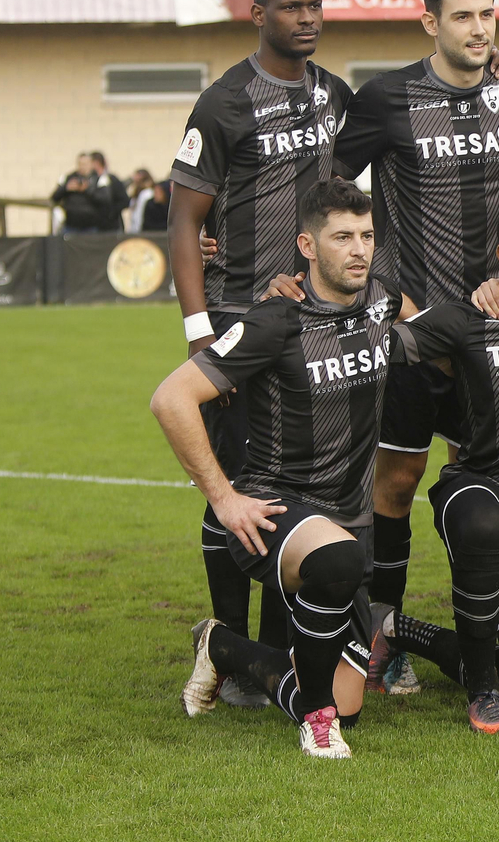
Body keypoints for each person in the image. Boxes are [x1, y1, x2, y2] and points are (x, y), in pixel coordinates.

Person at [157, 179, 410, 758]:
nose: (358, 250)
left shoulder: (381, 300)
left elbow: (423, 323)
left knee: (350, 696)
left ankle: (220, 647)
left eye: (367, 236)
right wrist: (224, 500)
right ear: (306, 245)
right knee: (337, 564)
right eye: (342, 237)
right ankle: (317, 723)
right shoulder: (276, 320)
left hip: (349, 518)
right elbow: (171, 399)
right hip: (272, 512)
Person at [330, 0, 499, 694]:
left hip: (491, 328)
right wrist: (386, 291)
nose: (478, 29)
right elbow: (332, 192)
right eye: (463, 16)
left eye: (486, 14)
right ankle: (386, 637)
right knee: (397, 483)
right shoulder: (387, 98)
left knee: (491, 484)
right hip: (410, 326)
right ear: (430, 23)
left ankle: (493, 629)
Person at [166, 0, 354, 705]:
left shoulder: (336, 96)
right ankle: (222, 633)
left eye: (314, 5)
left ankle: (260, 652)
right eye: (290, 7)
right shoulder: (222, 103)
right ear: (258, 15)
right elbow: (183, 222)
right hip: (240, 323)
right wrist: (197, 330)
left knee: (291, 484)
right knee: (233, 486)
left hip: (314, 324)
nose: (307, 17)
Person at [52, 152, 116, 234]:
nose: (82, 167)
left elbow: (105, 200)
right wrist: (66, 188)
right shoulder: (68, 178)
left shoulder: (100, 179)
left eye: (85, 164)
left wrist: (87, 190)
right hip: (71, 226)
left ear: (91, 164)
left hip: (92, 227)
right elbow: (54, 198)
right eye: (80, 164)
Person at [88, 152, 130, 232]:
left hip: (112, 226)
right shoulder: (91, 180)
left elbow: (124, 201)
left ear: (96, 163)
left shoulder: (112, 180)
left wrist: (111, 213)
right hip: (95, 226)